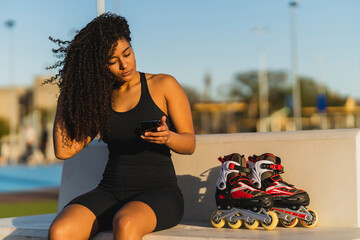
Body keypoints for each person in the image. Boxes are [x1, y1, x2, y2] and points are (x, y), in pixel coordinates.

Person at [46, 13, 195, 240]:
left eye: (127, 53)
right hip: (110, 192)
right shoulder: (98, 100)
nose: (124, 64)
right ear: (99, 66)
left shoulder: (164, 84)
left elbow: (190, 143)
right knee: (60, 231)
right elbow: (64, 150)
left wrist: (168, 138)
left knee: (125, 223)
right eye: (112, 60)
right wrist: (68, 92)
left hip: (160, 193)